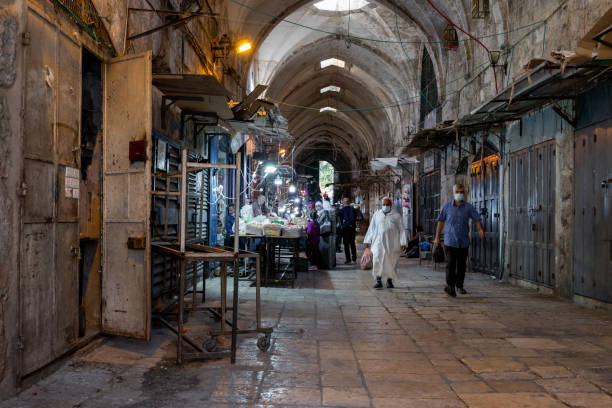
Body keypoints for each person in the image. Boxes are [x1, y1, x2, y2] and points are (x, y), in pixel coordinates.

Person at [434, 184, 485, 297]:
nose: (459, 194)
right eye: (457, 191)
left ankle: (459, 285)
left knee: (461, 266)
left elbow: (477, 219)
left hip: (463, 241)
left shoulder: (468, 207)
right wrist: (437, 237)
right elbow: (440, 222)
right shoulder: (446, 207)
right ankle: (450, 286)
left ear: (464, 194)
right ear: (453, 193)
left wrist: (481, 229)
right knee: (451, 264)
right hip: (450, 241)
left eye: (461, 192)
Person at [364, 197, 407, 289]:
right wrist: (367, 241)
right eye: (384, 204)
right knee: (377, 260)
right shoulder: (377, 214)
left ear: (391, 205)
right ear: (381, 205)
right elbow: (372, 228)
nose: (385, 206)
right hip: (378, 243)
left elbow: (402, 229)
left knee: (391, 261)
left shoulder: (396, 216)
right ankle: (378, 280)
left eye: (387, 204)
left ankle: (389, 281)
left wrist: (403, 242)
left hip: (392, 243)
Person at [341, 197, 357, 264]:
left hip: (345, 229)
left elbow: (340, 220)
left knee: (346, 245)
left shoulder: (341, 210)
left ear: (343, 203)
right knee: (352, 243)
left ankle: (348, 259)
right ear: (349, 202)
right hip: (352, 229)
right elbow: (355, 218)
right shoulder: (353, 209)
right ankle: (354, 258)